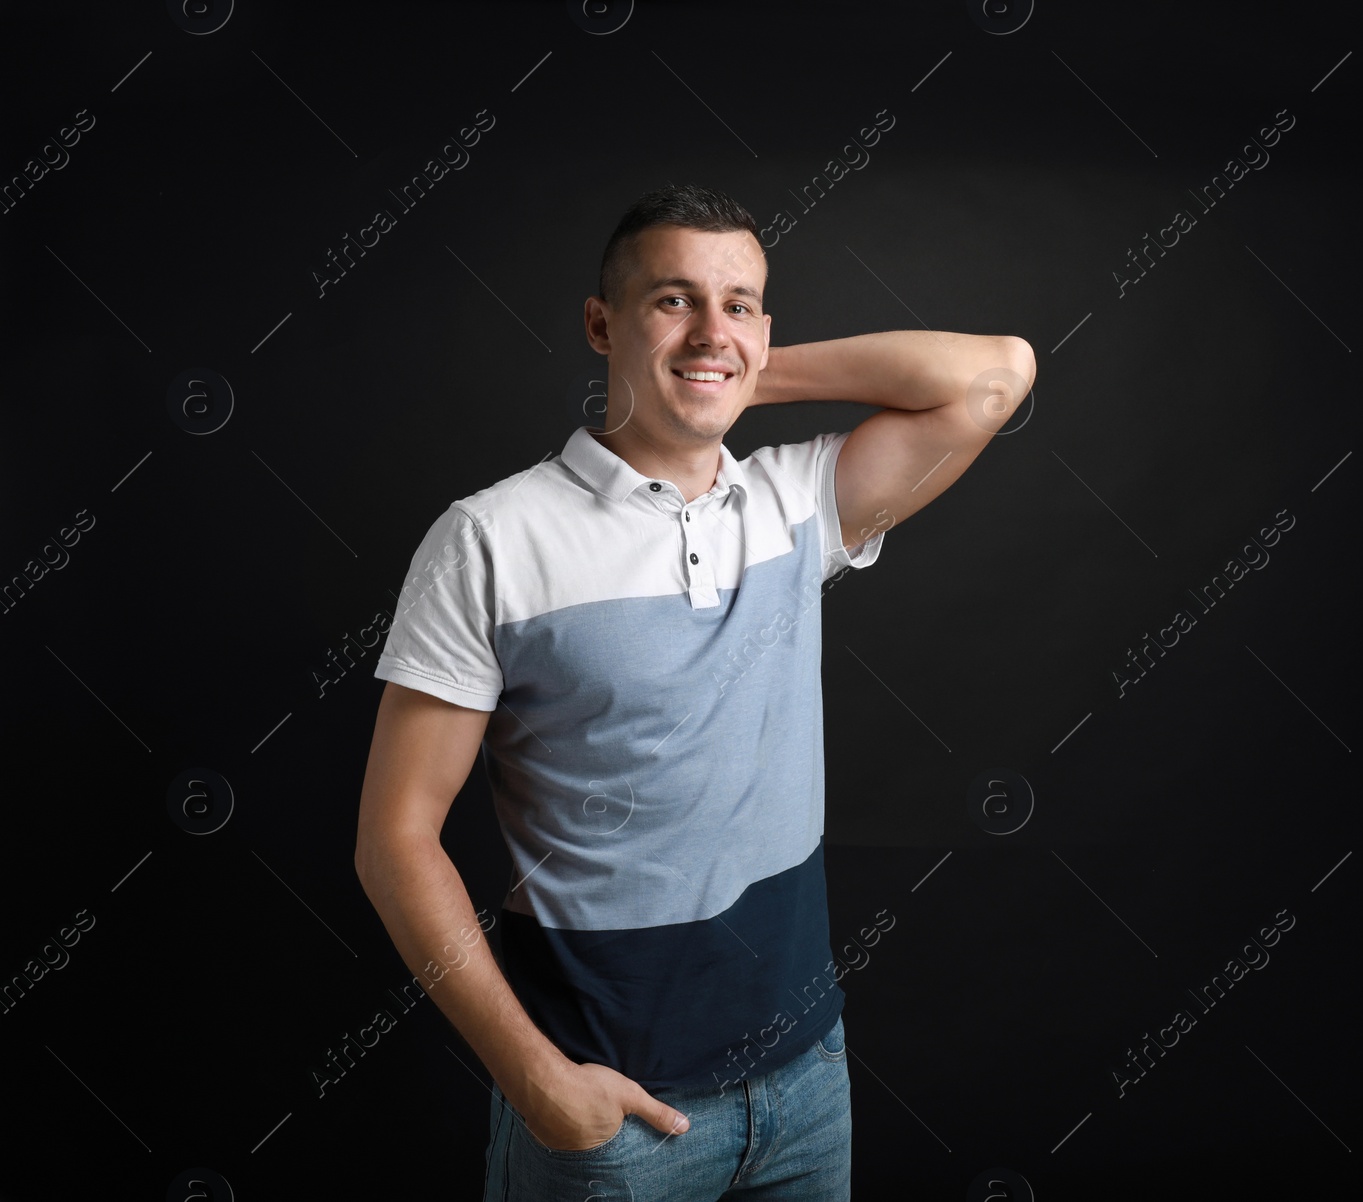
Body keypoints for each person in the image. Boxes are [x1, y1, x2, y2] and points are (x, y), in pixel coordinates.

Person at [354, 182, 1035, 1200]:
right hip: (608, 1109)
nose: (714, 326)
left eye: (742, 304)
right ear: (601, 323)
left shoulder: (793, 503)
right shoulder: (491, 539)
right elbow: (394, 839)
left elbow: (997, 374)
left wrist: (732, 375)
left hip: (806, 1083)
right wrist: (537, 1082)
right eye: (673, 301)